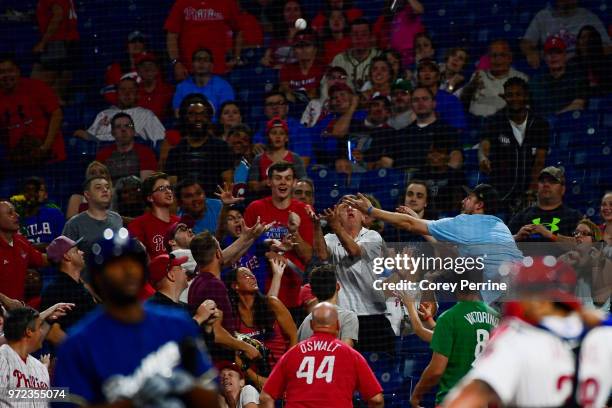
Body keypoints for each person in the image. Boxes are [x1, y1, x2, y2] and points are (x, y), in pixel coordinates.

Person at [53, 234, 219, 406]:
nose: (128, 270)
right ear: (97, 277)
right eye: (116, 264)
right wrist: (132, 402)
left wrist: (187, 387)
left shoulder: (177, 324)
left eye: (134, 263)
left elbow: (212, 398)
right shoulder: (76, 344)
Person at [442, 256, 599, 407]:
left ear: (540, 299)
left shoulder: (515, 339)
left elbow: (469, 397)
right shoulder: (600, 336)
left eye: (520, 290)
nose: (515, 298)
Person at [344, 185, 524, 304]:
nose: (463, 201)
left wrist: (371, 210)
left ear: (479, 205)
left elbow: (408, 224)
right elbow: (451, 252)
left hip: (499, 297)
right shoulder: (501, 226)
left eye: (469, 198)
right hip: (522, 290)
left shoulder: (465, 222)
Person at [259, 302, 384, 408]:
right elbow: (376, 399)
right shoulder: (351, 355)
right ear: (338, 325)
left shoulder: (291, 354)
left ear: (312, 325)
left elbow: (266, 397)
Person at [312, 197, 392, 353]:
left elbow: (355, 252)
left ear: (364, 217)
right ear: (337, 214)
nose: (350, 209)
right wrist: (316, 225)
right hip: (344, 317)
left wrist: (335, 226)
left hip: (373, 317)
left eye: (355, 206)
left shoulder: (373, 236)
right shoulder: (330, 238)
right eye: (345, 206)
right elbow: (322, 255)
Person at [409, 270, 500, 407]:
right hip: (484, 401)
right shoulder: (497, 317)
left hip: (454, 401)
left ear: (454, 285)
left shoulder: (449, 318)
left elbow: (436, 370)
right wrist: (429, 319)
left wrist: (416, 395)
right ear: (480, 283)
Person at [244, 162, 314, 315]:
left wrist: (294, 232)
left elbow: (308, 256)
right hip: (260, 291)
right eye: (278, 178)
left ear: (294, 183)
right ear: (269, 182)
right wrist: (267, 249)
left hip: (293, 294)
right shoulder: (255, 208)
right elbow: (243, 250)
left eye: (288, 178)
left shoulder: (303, 210)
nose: (283, 182)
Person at [479, 77, 549, 212]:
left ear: (526, 96)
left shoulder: (540, 124)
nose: (514, 99)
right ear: (504, 97)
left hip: (529, 193)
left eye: (518, 94)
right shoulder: (494, 122)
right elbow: (484, 146)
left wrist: (532, 190)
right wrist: (483, 158)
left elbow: (540, 161)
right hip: (500, 191)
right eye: (510, 95)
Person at [225, 266, 298, 387]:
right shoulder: (232, 316)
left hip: (284, 372)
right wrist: (255, 378)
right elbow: (235, 355)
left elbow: (293, 335)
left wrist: (287, 368)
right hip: (253, 380)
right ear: (235, 286)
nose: (252, 277)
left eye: (252, 274)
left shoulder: (272, 304)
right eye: (245, 275)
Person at [370, 86, 462, 173]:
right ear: (411, 105)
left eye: (425, 99)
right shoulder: (400, 134)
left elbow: (456, 159)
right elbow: (387, 162)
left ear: (434, 103)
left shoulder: (448, 132)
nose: (420, 103)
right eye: (416, 100)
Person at [0, 54, 66, 168]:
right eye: (1, 72)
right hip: (19, 162)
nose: (6, 75)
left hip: (50, 158)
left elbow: (56, 114)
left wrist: (45, 147)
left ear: (18, 71)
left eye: (10, 70)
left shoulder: (36, 87)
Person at [165, 97, 235, 196]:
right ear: (185, 118)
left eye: (202, 114)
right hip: (184, 205)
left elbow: (228, 183)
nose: (198, 118)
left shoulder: (221, 148)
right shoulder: (176, 152)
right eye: (192, 114)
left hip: (214, 204)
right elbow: (172, 187)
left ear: (209, 118)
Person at [74, 77, 166, 146]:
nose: (127, 93)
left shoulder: (146, 114)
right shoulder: (104, 114)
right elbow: (92, 138)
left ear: (137, 94)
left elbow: (161, 140)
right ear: (117, 94)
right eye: (123, 90)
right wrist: (83, 134)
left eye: (131, 90)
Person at [520, 0, 611, 68]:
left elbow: (608, 47)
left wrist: (586, 54)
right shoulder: (543, 16)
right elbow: (526, 42)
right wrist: (530, 52)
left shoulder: (589, 17)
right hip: (550, 70)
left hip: (581, 70)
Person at [164, 0, 243, 79]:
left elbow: (238, 30)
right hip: (188, 71)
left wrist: (236, 57)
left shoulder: (227, 2)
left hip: (218, 70)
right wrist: (176, 62)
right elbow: (172, 35)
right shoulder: (182, 3)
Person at [508, 166, 582, 246]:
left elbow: (582, 245)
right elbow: (500, 244)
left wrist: (550, 235)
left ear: (563, 189)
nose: (546, 185)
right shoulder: (521, 217)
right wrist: (516, 237)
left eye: (552, 182)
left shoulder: (574, 217)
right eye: (542, 181)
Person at [40, 235, 97, 335]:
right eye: (76, 251)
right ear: (67, 256)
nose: (82, 252)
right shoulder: (56, 290)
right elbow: (53, 333)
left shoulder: (78, 285)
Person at [457, 40, 528, 118]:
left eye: (502, 55)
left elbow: (524, 109)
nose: (498, 59)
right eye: (494, 55)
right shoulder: (479, 75)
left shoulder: (520, 78)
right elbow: (463, 102)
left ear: (510, 58)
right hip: (475, 122)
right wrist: (470, 87)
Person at [62, 176, 123, 262]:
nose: (105, 190)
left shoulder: (117, 219)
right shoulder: (74, 224)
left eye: (107, 187)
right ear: (87, 194)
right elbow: (66, 260)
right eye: (98, 187)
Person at [297, 264, 358, 347]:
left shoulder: (305, 323)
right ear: (338, 286)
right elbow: (345, 352)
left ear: (312, 292)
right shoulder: (348, 317)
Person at [0, 201, 47, 302]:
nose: (16, 215)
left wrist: (62, 251)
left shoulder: (21, 241)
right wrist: (7, 302)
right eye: (10, 213)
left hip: (19, 312)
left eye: (15, 212)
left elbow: (41, 260)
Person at [529, 36, 588, 117]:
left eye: (558, 52)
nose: (553, 56)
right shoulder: (536, 81)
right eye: (549, 53)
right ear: (545, 57)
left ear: (565, 55)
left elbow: (578, 105)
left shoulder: (577, 77)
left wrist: (554, 119)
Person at [252, 91, 314, 167]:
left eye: (279, 103)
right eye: (270, 104)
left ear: (287, 108)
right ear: (264, 111)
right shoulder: (260, 134)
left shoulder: (300, 130)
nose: (275, 107)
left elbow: (303, 163)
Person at [248, 117, 307, 194]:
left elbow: (304, 184)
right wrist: (266, 183)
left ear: (287, 138)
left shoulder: (295, 158)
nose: (278, 136)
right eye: (274, 133)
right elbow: (252, 186)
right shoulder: (258, 159)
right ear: (267, 136)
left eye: (282, 133)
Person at [128, 172, 181, 259]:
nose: (168, 191)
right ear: (150, 197)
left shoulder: (180, 222)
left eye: (169, 187)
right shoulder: (138, 224)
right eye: (161, 188)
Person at [95, 112, 158, 183]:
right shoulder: (103, 155)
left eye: (127, 126)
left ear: (133, 131)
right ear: (113, 132)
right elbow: (98, 184)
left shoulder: (146, 153)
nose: (123, 130)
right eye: (118, 126)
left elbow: (146, 184)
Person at [172, 48, 235, 117]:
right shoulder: (181, 87)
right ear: (192, 65)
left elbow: (227, 114)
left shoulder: (224, 86)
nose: (201, 63)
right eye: (198, 59)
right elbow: (178, 114)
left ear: (211, 66)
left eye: (205, 60)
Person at [415, 59, 466, 131]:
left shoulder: (451, 100)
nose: (427, 73)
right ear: (418, 77)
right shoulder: (412, 100)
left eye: (431, 70)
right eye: (423, 71)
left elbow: (458, 130)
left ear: (438, 76)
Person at [331, 18, 381, 90]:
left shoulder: (379, 57)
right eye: (355, 34)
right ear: (350, 37)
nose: (359, 38)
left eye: (364, 34)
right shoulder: (339, 59)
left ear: (370, 37)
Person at [18, 176, 65, 247]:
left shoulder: (55, 213)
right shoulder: (17, 219)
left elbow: (62, 243)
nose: (32, 193)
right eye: (28, 190)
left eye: (38, 190)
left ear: (45, 195)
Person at [279, 29, 324, 103]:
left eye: (307, 45)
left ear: (315, 49)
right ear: (294, 51)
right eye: (298, 46)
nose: (303, 49)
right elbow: (286, 91)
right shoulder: (287, 69)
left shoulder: (323, 68)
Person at [568, 25, 612, 97]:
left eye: (590, 38)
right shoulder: (572, 64)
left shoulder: (606, 63)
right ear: (578, 42)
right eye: (583, 37)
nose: (586, 41)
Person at [134, 51, 175, 121]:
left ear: (157, 69)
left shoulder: (168, 91)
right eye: (143, 66)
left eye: (151, 65)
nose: (147, 69)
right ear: (138, 71)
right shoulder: (134, 92)